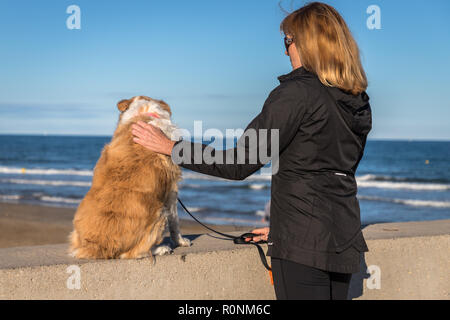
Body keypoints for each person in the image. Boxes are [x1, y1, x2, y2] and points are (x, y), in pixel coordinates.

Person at [131, 2, 372, 300]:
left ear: (307, 45)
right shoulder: (357, 99)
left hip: (303, 247)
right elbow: (331, 173)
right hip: (344, 240)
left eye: (288, 41)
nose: (286, 51)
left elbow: (239, 162)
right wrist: (281, 229)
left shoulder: (296, 93)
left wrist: (170, 147)